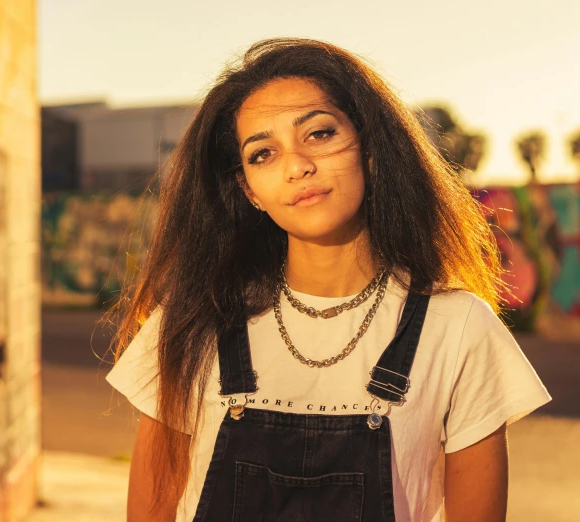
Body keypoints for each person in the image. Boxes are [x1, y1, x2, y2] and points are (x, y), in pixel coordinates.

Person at [104, 37, 552, 522]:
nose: (297, 166)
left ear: (370, 149)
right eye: (263, 154)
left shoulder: (458, 327)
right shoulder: (194, 323)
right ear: (248, 191)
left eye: (318, 134)